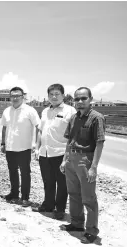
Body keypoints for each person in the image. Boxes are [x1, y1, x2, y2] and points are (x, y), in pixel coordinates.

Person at [59, 87, 105, 244]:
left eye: (83, 98)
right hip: (71, 158)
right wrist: (65, 159)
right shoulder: (73, 118)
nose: (79, 101)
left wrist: (93, 167)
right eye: (77, 99)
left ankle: (92, 230)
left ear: (90, 99)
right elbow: (69, 140)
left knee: (89, 198)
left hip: (85, 160)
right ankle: (77, 224)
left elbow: (99, 143)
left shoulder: (96, 118)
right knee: (73, 194)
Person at [32, 84, 77, 220]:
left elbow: (73, 134)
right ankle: (48, 204)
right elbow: (40, 131)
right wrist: (36, 147)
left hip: (61, 153)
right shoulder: (45, 111)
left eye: (57, 94)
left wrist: (67, 156)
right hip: (44, 153)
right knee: (48, 181)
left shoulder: (70, 111)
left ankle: (60, 209)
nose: (54, 96)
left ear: (63, 96)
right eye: (51, 94)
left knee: (62, 183)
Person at [0, 86, 40, 207]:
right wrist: (3, 143)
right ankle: (14, 194)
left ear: (23, 97)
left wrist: (36, 144)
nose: (15, 98)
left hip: (24, 148)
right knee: (12, 172)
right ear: (10, 97)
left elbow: (39, 126)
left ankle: (25, 197)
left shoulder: (30, 110)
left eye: (18, 96)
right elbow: (4, 128)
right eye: (13, 96)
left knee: (25, 173)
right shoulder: (7, 111)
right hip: (10, 148)